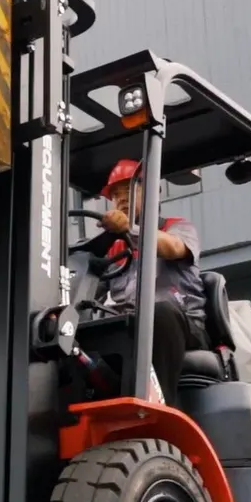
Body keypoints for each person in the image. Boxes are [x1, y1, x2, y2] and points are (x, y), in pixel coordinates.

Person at [96, 159, 209, 402]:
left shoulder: (176, 227)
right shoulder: (112, 248)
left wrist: (130, 229)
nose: (121, 199)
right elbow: (91, 289)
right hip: (131, 325)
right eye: (115, 195)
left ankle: (161, 407)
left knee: (158, 312)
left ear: (151, 192)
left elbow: (174, 247)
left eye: (127, 190)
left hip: (182, 324)